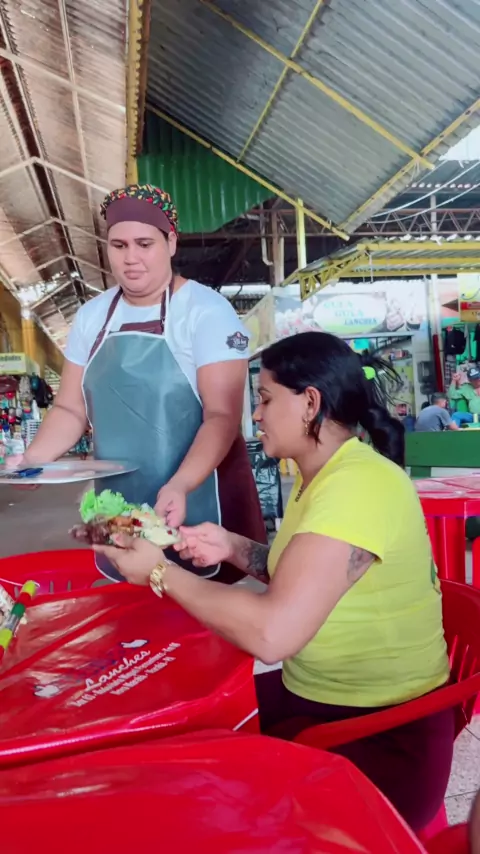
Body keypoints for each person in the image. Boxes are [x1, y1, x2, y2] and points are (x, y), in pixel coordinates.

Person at [94, 331, 453, 833]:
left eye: (264, 399)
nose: (256, 416)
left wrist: (159, 572)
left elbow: (273, 634)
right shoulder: (323, 474)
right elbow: (306, 575)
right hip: (322, 702)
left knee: (190, 790)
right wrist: (231, 546)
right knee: (178, 725)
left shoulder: (357, 486)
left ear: (310, 403)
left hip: (378, 736)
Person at [12, 184, 265, 581]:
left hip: (194, 497)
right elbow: (70, 409)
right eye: (119, 245)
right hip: (117, 505)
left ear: (171, 243)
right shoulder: (92, 317)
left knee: (195, 599)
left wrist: (181, 484)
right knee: (128, 601)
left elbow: (221, 416)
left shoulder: (205, 312)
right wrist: (32, 461)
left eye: (144, 244)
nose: (131, 258)